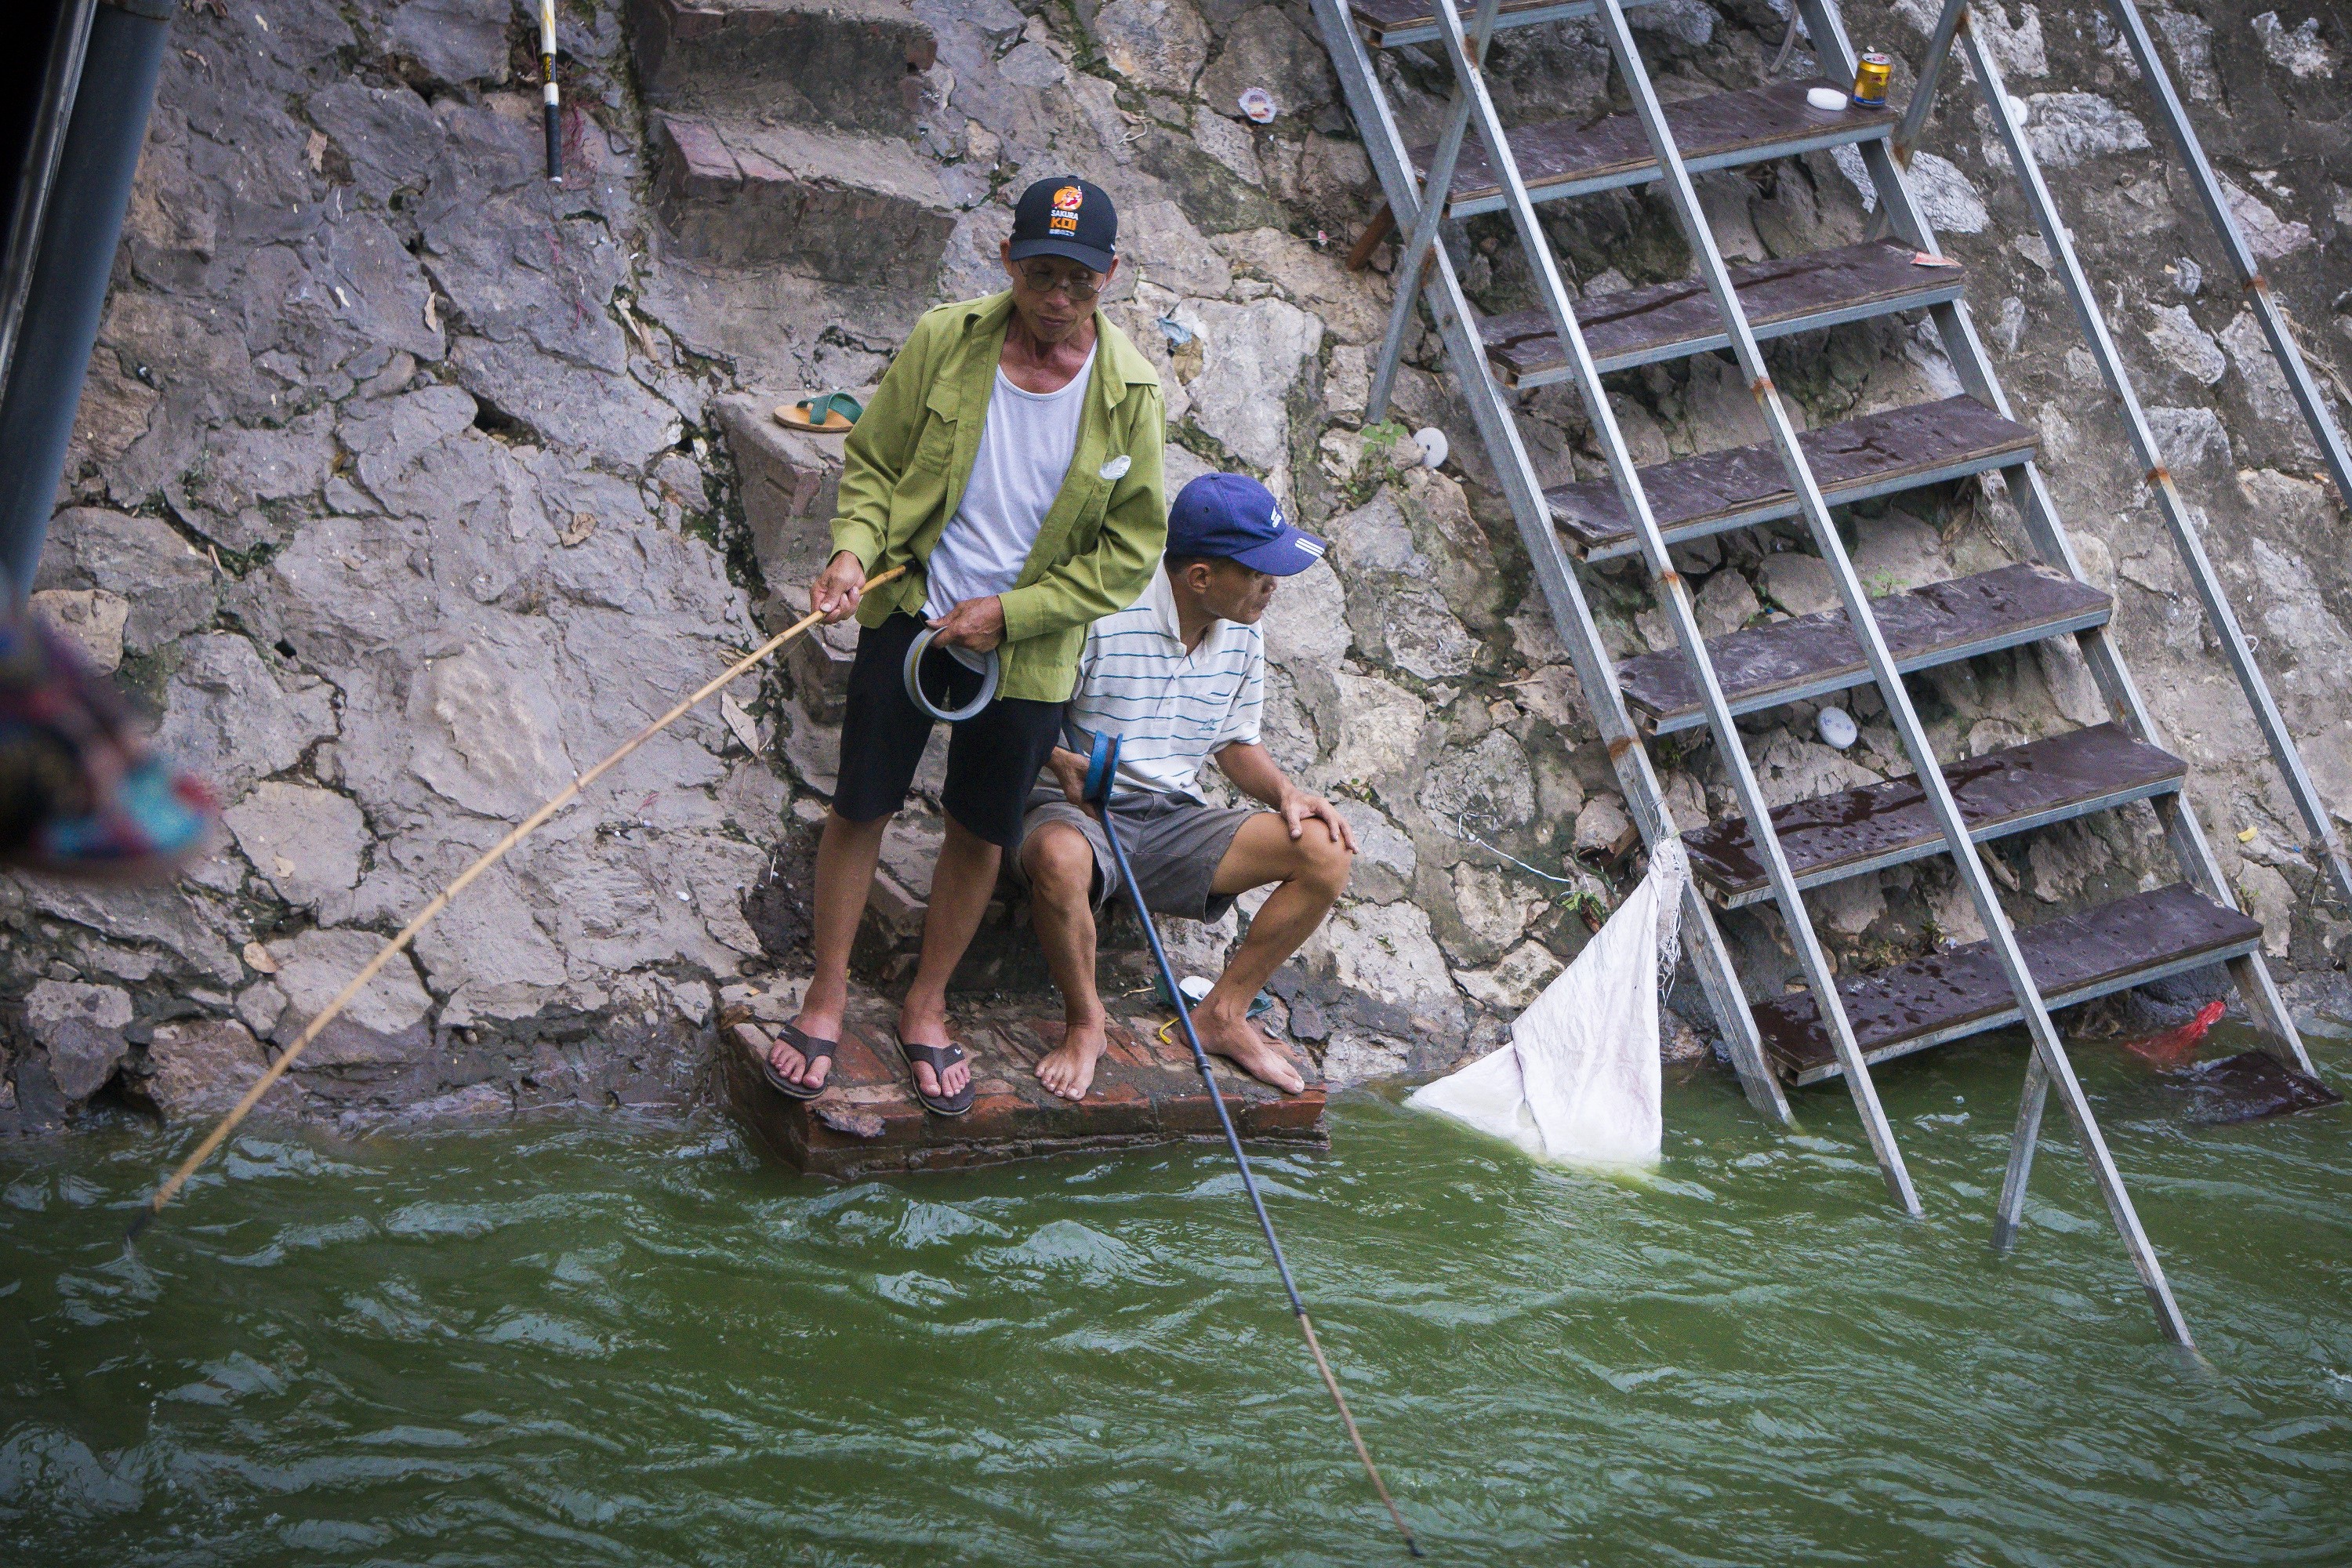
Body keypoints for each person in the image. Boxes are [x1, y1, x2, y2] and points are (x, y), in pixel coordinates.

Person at [757, 176, 1167, 1117]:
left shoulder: (1131, 393)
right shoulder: (949, 339)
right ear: (1008, 260)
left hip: (1027, 648)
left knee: (981, 826)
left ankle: (927, 1005)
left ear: (1109, 279)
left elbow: (1130, 552)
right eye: (1040, 272)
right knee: (862, 799)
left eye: (1078, 280)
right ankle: (824, 992)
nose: (1057, 297)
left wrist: (1013, 613)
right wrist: (853, 552)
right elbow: (875, 462)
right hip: (913, 606)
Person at [1017, 474, 1356, 1103]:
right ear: (1200, 578)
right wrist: (1060, 760)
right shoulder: (1105, 610)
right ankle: (1087, 1024)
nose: (1271, 586)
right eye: (1258, 572)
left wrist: (1284, 792)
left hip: (1174, 817)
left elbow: (1234, 743)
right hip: (1077, 806)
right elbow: (1024, 718)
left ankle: (1223, 1015)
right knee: (1061, 859)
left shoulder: (1243, 626)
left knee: (1326, 850)